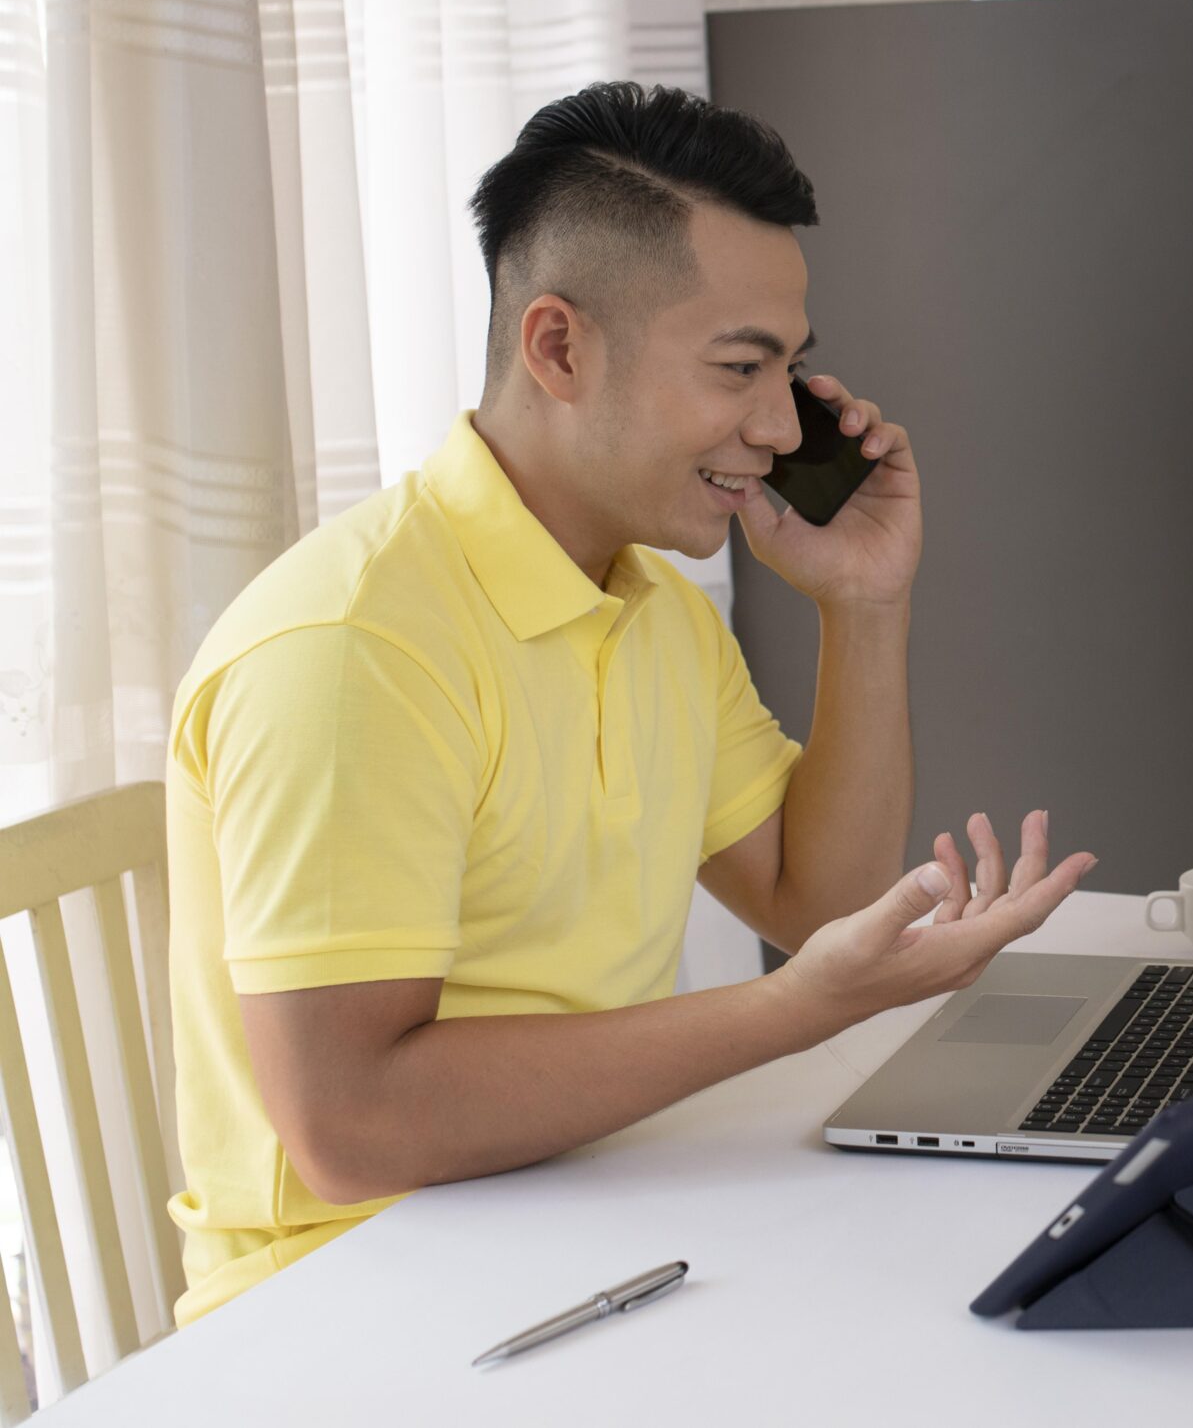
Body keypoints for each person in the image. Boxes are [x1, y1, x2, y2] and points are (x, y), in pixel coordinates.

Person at [163, 83, 1097, 1322]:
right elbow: (353, 1128)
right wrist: (794, 1010)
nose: (776, 426)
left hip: (578, 1212)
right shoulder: (355, 651)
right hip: (352, 1302)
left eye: (791, 374)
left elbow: (816, 899)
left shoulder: (647, 604)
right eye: (737, 371)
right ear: (558, 347)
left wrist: (864, 607)